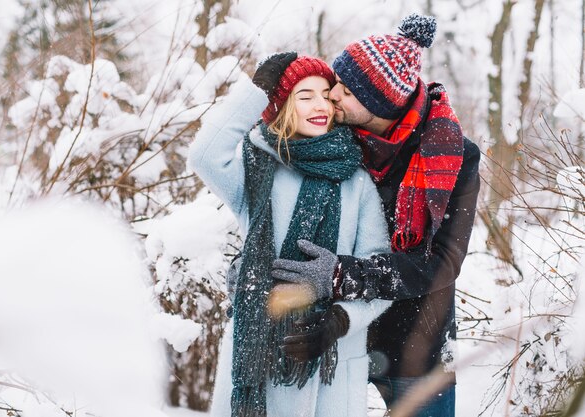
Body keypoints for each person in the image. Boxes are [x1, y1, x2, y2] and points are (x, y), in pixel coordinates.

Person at [270, 14, 481, 417]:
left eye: (345, 91)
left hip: (416, 346)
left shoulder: (452, 155)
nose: (332, 97)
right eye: (336, 84)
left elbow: (443, 262)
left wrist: (341, 274)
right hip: (337, 334)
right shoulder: (337, 142)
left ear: (380, 103)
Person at [187, 54, 392, 417]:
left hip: (329, 372)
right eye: (305, 95)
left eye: (327, 94)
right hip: (256, 359)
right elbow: (205, 155)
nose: (320, 105)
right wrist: (255, 92)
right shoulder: (258, 172)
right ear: (282, 105)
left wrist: (339, 320)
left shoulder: (357, 181)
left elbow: (380, 275)